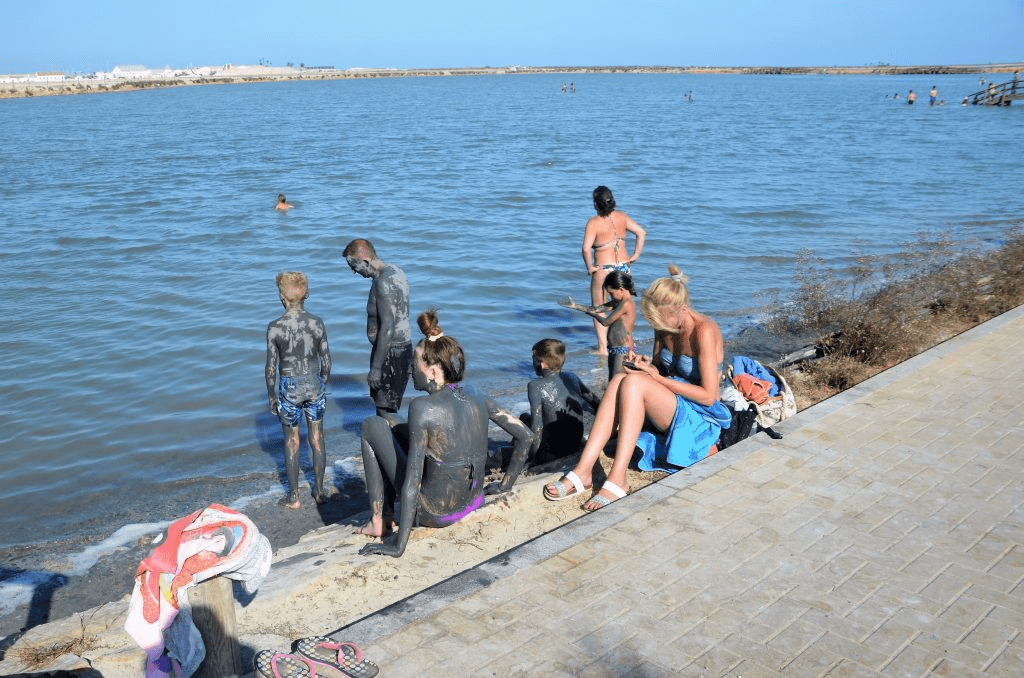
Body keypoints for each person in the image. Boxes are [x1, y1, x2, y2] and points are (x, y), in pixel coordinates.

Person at [543, 264, 731, 512]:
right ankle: (584, 469)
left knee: (631, 382)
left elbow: (708, 397)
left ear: (682, 309)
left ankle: (618, 477)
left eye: (660, 318)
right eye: (653, 319)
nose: (656, 324)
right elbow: (660, 369)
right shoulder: (664, 325)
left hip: (701, 417)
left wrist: (657, 379)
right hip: (672, 403)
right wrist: (645, 366)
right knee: (622, 378)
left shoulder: (703, 330)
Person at [356, 310, 534, 557]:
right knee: (391, 420)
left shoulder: (422, 408)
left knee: (371, 425)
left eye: (414, 365)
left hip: (435, 513)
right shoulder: (476, 395)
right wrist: (505, 486)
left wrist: (399, 546)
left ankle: (379, 520)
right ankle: (383, 513)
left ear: (432, 371)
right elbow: (526, 436)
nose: (410, 371)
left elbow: (412, 481)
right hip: (472, 501)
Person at [265, 272, 332, 508]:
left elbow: (271, 368)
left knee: (291, 442)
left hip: (289, 386)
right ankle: (320, 491)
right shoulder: (316, 323)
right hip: (313, 385)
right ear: (307, 295)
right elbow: (327, 361)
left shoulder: (275, 328)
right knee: (317, 438)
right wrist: (322, 382)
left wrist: (272, 395)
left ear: (281, 297)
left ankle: (294, 497)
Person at [344, 238, 413, 417]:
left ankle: (406, 443)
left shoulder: (383, 282)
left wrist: (376, 368)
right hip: (400, 348)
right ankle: (397, 442)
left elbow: (388, 327)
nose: (353, 272)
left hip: (391, 353)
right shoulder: (396, 271)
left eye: (354, 266)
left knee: (385, 410)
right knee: (387, 407)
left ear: (365, 260)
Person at [581, 186, 646, 355]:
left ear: (596, 203)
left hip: (603, 268)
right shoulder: (622, 217)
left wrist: (589, 267)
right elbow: (641, 232)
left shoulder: (593, 222)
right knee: (626, 307)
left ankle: (603, 348)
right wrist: (635, 255)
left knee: (598, 306)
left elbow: (586, 248)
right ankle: (628, 345)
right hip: (624, 267)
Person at [522, 339, 601, 467]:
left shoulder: (535, 386)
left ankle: (520, 451)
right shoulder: (572, 376)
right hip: (574, 445)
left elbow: (537, 427)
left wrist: (536, 460)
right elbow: (595, 402)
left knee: (524, 419)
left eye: (534, 358)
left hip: (552, 453)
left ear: (542, 364)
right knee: (526, 418)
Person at [559, 270, 638, 379]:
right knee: (612, 379)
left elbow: (606, 322)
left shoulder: (627, 304)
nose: (610, 296)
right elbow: (596, 309)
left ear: (621, 289)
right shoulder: (618, 302)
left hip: (623, 349)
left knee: (617, 380)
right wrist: (575, 306)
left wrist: (593, 315)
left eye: (611, 293)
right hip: (614, 348)